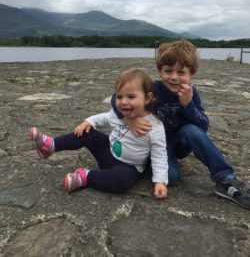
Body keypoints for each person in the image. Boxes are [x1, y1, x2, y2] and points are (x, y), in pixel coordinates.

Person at [111, 40, 250, 210]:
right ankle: (149, 162)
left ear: (192, 73)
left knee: (192, 131)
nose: (174, 77)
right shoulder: (153, 88)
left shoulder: (191, 94)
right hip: (158, 143)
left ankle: (225, 178)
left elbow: (203, 126)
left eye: (181, 72)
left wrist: (188, 105)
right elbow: (115, 98)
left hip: (182, 140)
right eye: (168, 71)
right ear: (159, 71)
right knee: (172, 177)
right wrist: (129, 119)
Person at [30, 69, 168, 199]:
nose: (124, 102)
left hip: (128, 166)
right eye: (119, 96)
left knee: (122, 182)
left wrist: (160, 181)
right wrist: (88, 122)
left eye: (131, 96)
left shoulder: (155, 127)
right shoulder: (118, 114)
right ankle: (50, 145)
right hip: (107, 151)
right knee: (87, 133)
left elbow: (159, 154)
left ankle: (85, 176)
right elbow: (103, 118)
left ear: (148, 98)